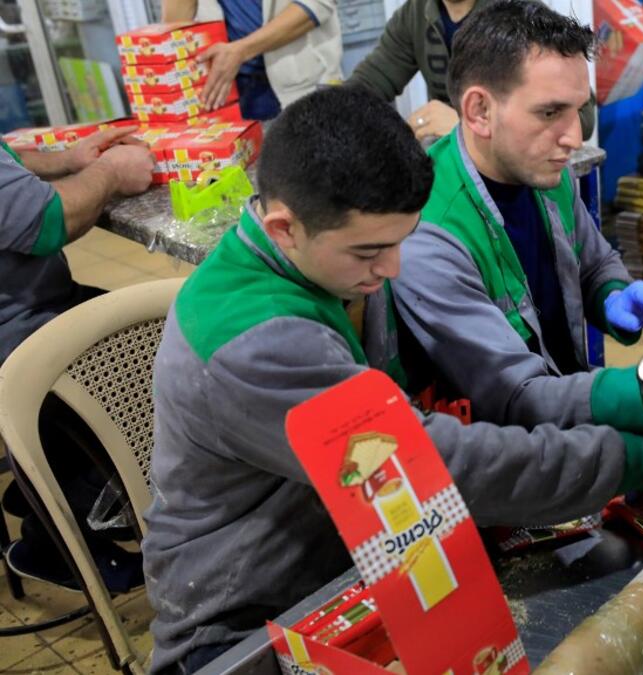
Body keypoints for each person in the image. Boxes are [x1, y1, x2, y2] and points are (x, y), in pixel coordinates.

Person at [142, 87, 643, 675]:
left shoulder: (340, 271)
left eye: (402, 242)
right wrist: (623, 460)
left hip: (358, 561)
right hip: (245, 623)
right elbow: (427, 466)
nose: (393, 270)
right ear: (284, 228)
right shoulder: (255, 342)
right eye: (370, 252)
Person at [394, 0, 643, 439]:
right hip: (499, 455)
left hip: (567, 417)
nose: (574, 136)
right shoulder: (427, 234)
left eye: (578, 109)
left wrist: (613, 295)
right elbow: (519, 396)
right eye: (550, 113)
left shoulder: (542, 169)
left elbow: (592, 261)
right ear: (479, 111)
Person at [1, 127, 155, 590]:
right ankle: (62, 524)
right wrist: (108, 173)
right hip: (17, 344)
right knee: (164, 353)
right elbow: (50, 221)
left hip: (28, 317)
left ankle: (48, 486)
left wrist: (67, 160)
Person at [345, 0, 596, 143]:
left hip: (511, 177)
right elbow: (364, 87)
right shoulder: (416, 13)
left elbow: (582, 119)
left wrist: (468, 125)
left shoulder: (519, 14)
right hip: (451, 167)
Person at [163, 0, 343, 119]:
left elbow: (318, 4)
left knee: (316, 167)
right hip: (229, 91)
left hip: (301, 82)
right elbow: (175, 28)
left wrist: (241, 51)